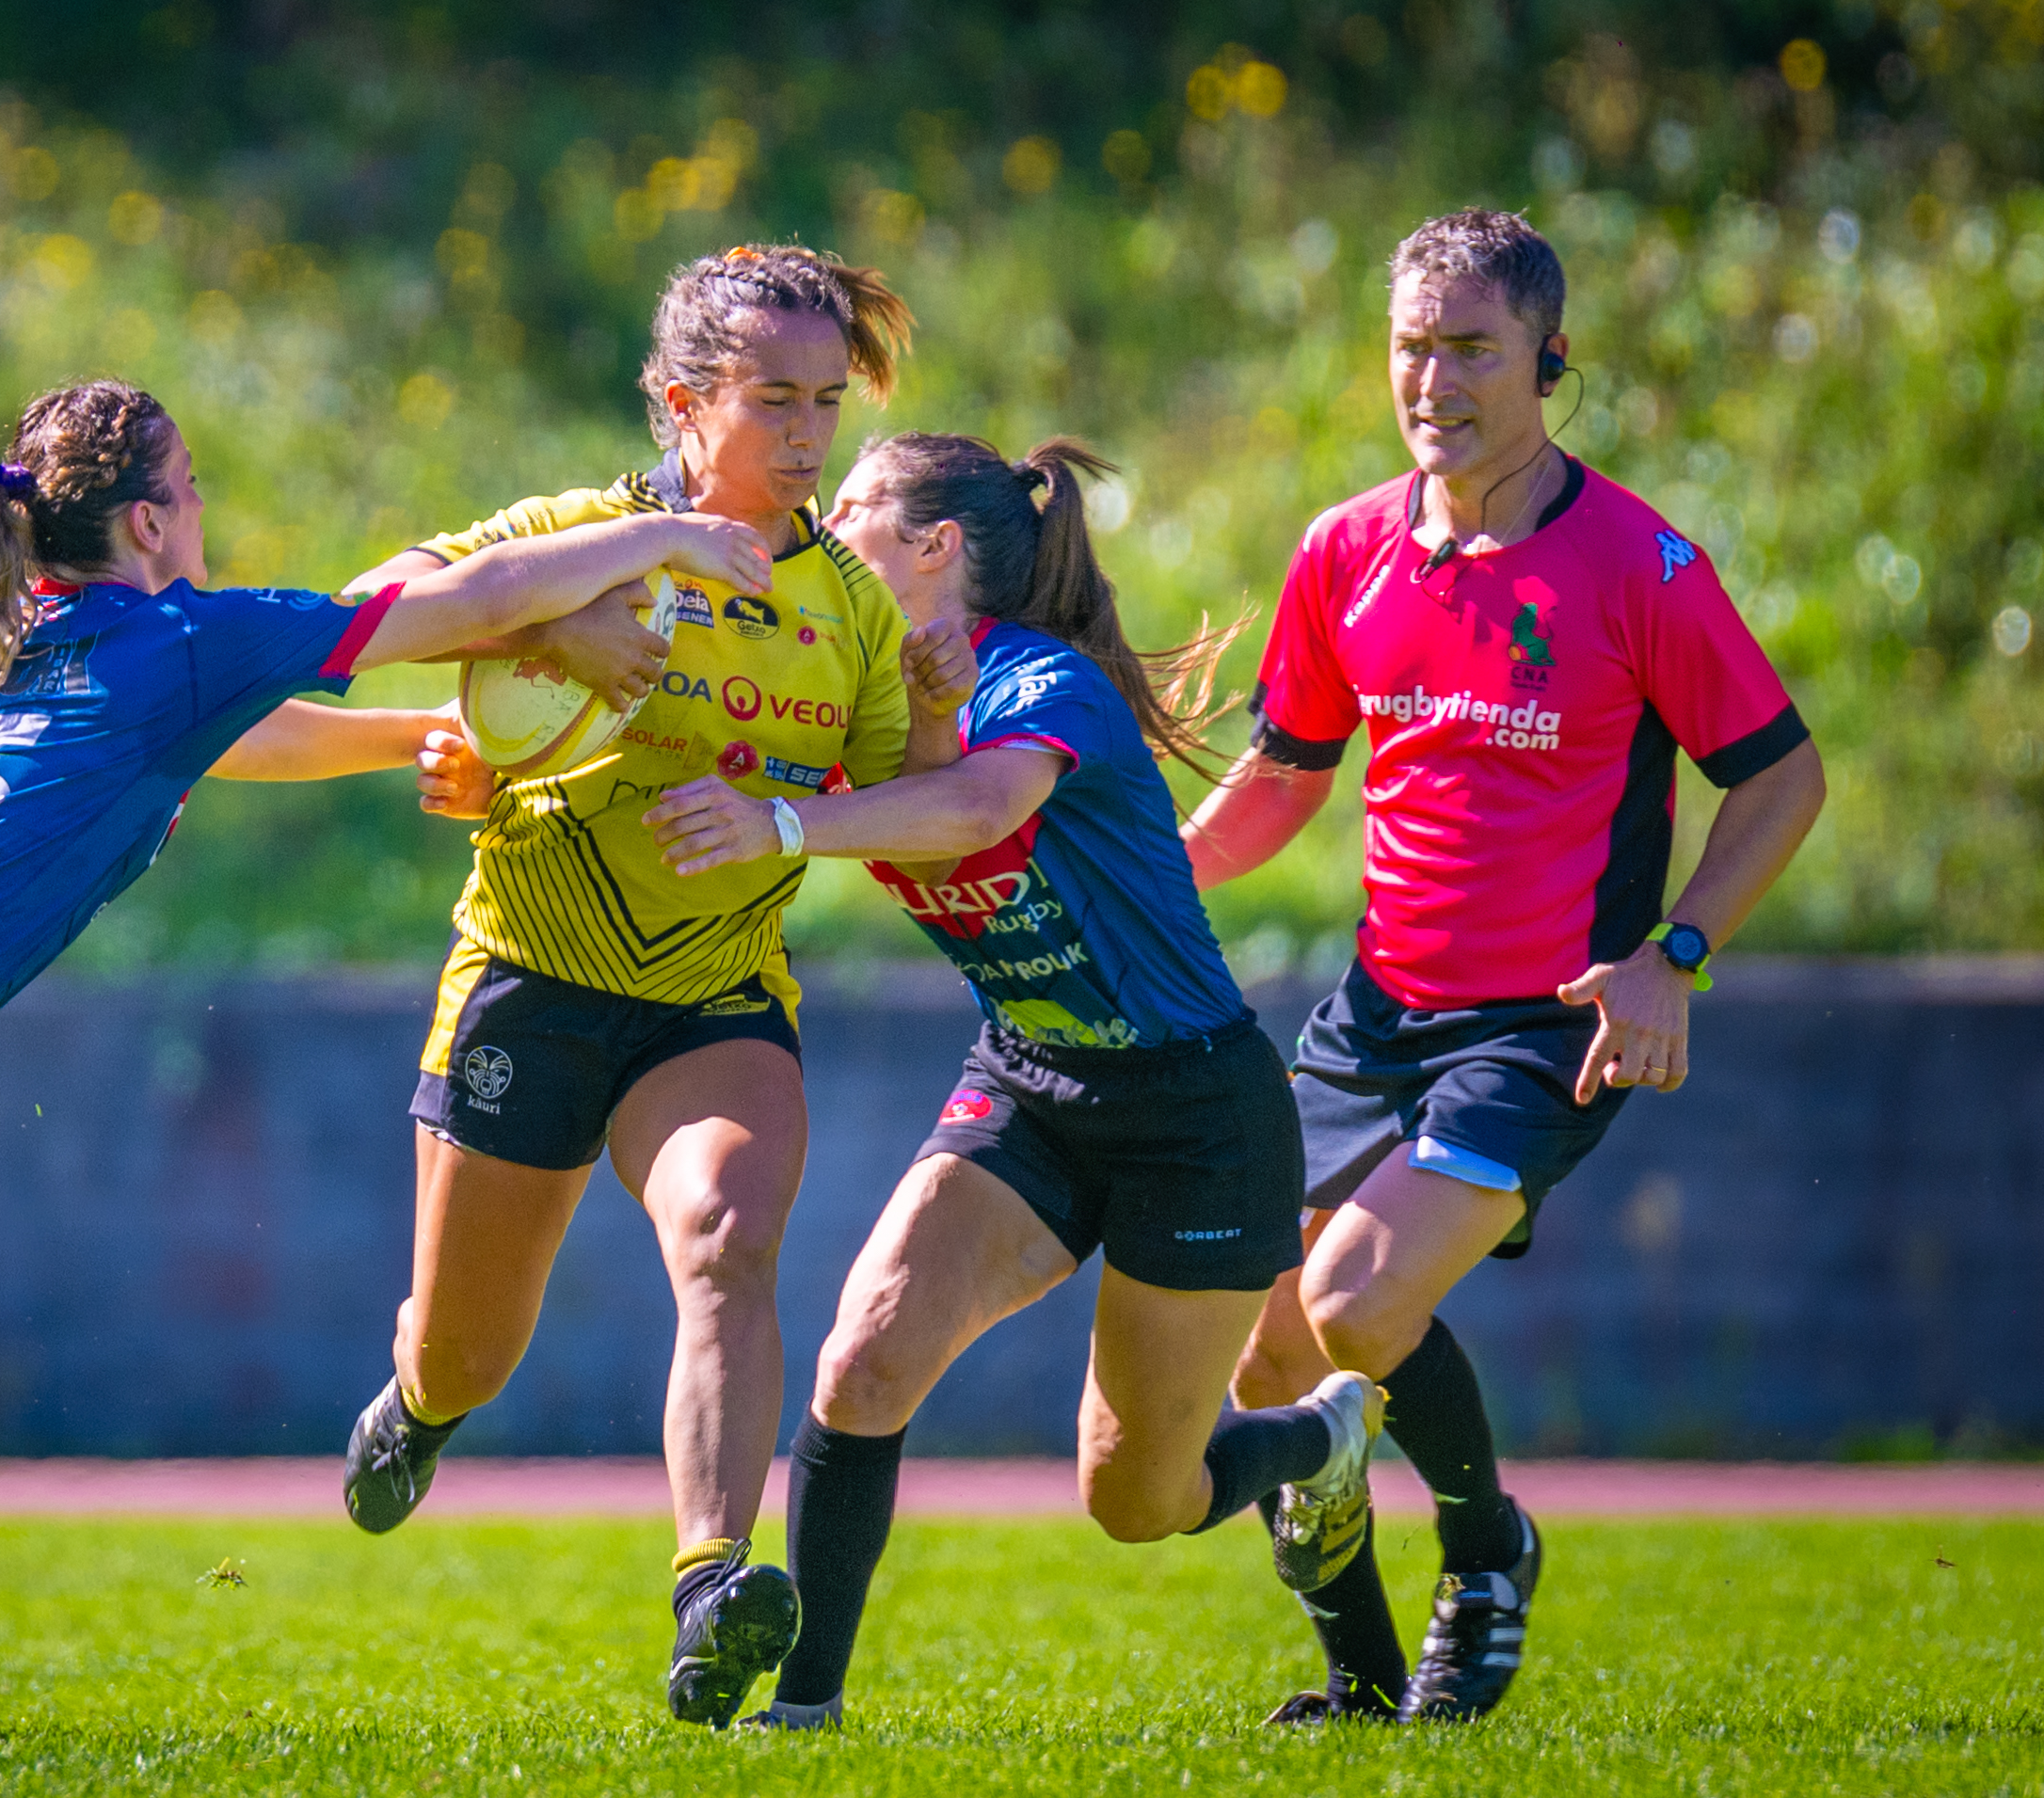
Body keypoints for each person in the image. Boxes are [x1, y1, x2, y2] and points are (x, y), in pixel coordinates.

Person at [0, 377, 774, 1743]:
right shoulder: (177, 637)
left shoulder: (21, 623)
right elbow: (473, 597)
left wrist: (423, 739)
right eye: (192, 490)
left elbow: (229, 742)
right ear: (147, 518)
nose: (203, 514)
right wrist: (667, 540)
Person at [1190, 211, 1828, 1724]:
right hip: (1371, 1010)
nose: (1433, 377)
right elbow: (1283, 777)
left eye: (1470, 346)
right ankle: (1355, 1678)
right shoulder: (1340, 548)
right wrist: (1140, 872)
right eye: (1411, 345)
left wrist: (1671, 953)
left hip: (1547, 1021)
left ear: (1547, 358)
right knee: (1259, 1351)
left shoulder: (1638, 560)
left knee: (1347, 1301)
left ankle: (1484, 1551)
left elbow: (1782, 776)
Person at [642, 432, 1385, 1730]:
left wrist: (783, 825)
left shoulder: (1047, 679)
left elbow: (975, 805)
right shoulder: (862, 692)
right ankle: (803, 1711)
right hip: (1030, 1081)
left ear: (933, 549)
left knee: (1132, 1498)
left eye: (856, 503)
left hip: (1194, 1111)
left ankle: (1312, 1442)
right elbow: (784, 735)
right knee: (859, 1362)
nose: (824, 515)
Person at [335, 245, 924, 1728]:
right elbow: (371, 600)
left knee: (727, 1237)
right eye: (770, 401)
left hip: (715, 995)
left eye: (824, 403)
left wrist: (986, 707)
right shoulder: (579, 530)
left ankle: (712, 1583)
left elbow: (911, 793)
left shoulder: (845, 606)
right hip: (528, 977)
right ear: (680, 402)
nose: (805, 435)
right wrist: (536, 631)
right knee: (465, 1347)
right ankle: (415, 1408)